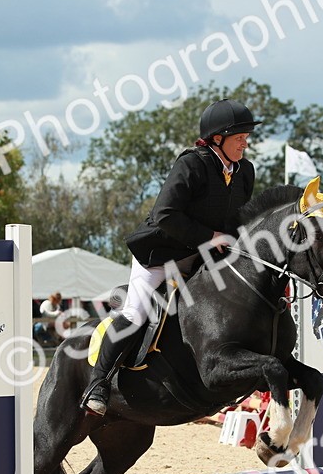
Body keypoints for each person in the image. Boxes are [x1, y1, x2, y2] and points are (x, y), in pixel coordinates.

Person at [81, 98, 260, 415]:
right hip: (162, 254)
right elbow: (165, 214)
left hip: (204, 257)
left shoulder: (244, 171)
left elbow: (240, 218)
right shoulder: (192, 164)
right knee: (136, 312)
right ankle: (98, 383)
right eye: (239, 137)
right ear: (217, 138)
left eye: (246, 137)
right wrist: (210, 237)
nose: (245, 144)